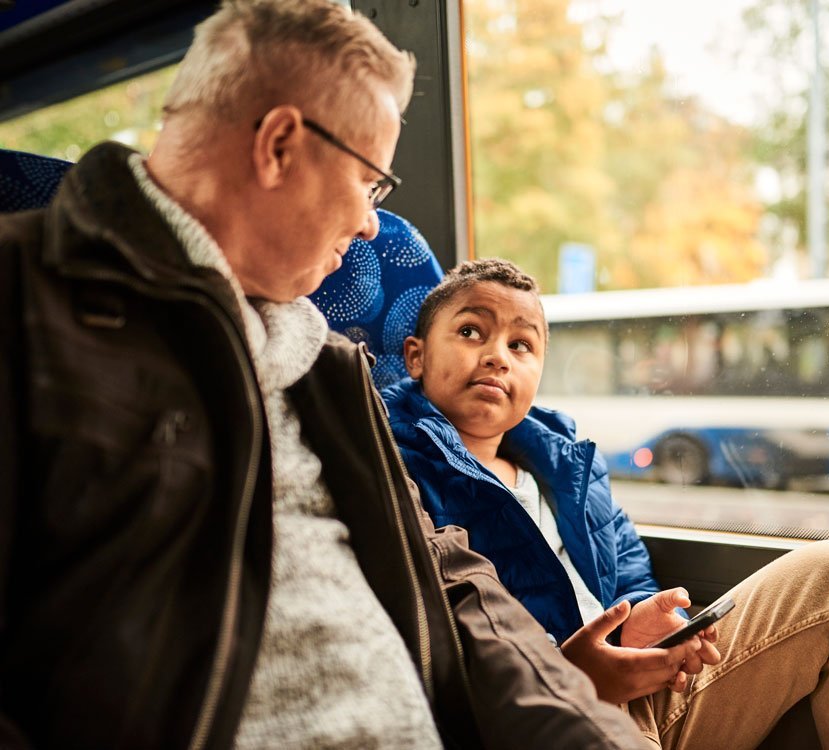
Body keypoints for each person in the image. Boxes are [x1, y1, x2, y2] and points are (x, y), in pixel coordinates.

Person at [0, 3, 665, 748]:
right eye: (371, 183)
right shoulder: (28, 302)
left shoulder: (332, 369)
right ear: (281, 145)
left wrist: (586, 730)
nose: (374, 227)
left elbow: (448, 579)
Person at [382, 258, 829, 748]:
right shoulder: (393, 470)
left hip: (641, 692)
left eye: (521, 345)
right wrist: (567, 672)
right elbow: (437, 635)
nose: (497, 356)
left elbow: (632, 577)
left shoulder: (569, 467)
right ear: (416, 357)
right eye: (472, 331)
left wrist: (651, 624)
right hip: (539, 715)